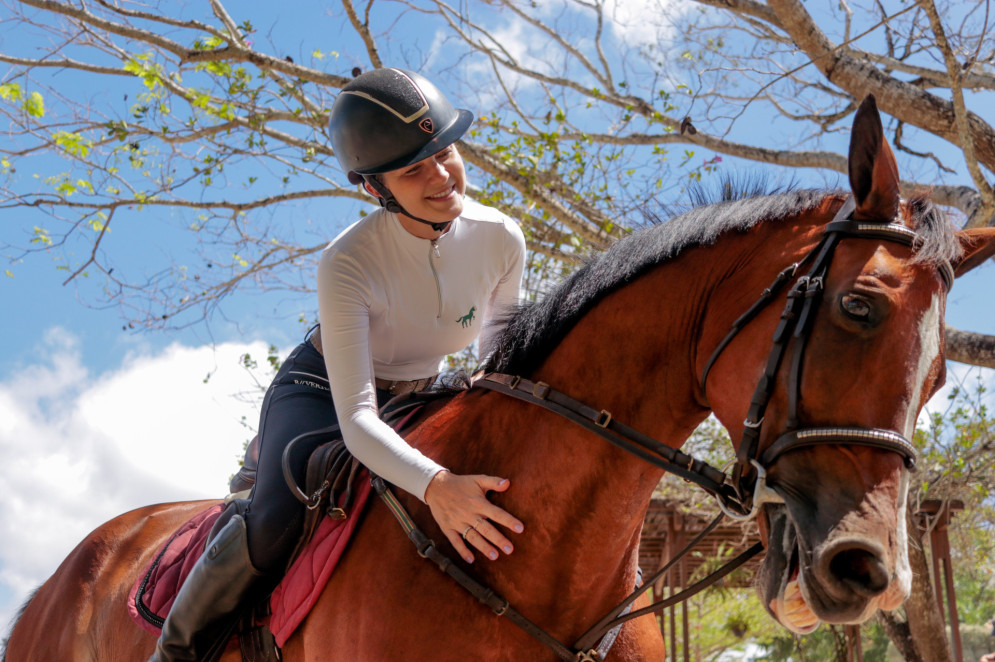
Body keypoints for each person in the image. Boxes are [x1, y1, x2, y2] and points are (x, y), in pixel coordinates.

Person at [150, 67, 528, 662]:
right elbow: (356, 420)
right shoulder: (346, 261)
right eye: (413, 169)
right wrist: (436, 487)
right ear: (375, 187)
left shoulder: (502, 238)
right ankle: (175, 652)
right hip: (323, 390)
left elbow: (496, 366)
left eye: (446, 153)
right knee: (280, 510)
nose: (440, 175)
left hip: (422, 392)